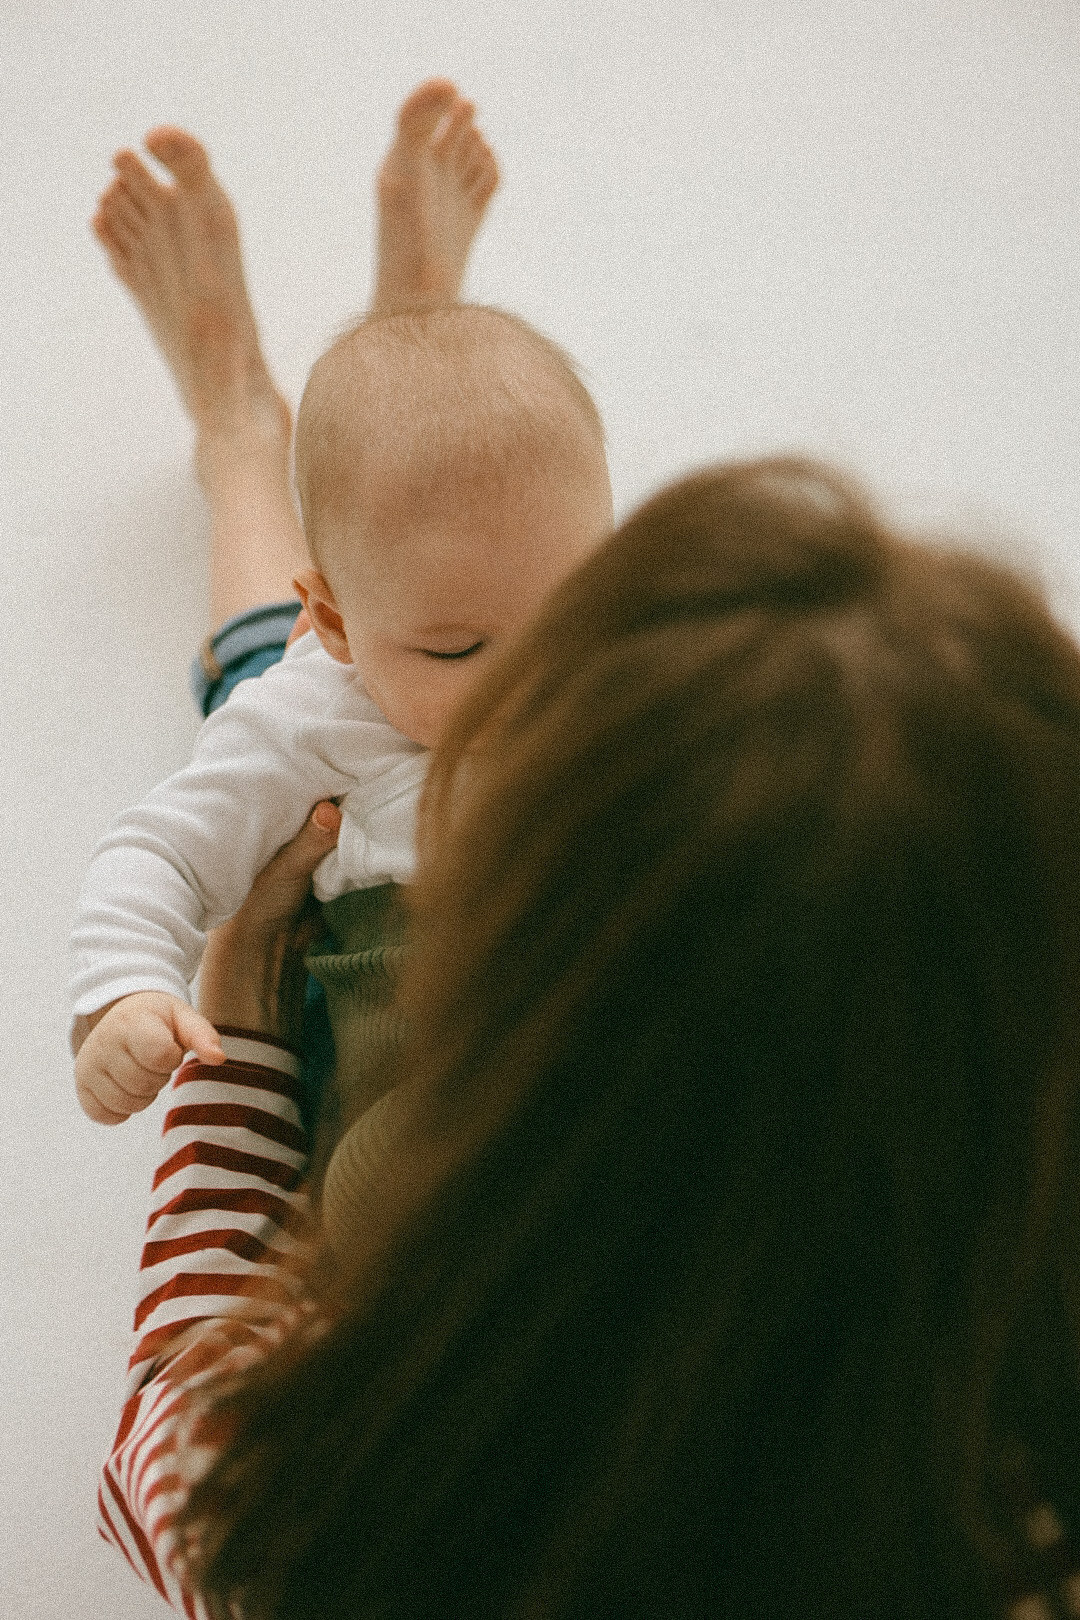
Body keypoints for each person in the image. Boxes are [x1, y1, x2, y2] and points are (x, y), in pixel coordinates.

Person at [97, 445, 1080, 1619]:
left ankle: (244, 453)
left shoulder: (323, 1519)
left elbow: (173, 1415)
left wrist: (243, 1032)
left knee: (286, 747)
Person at [71, 82, 613, 1132]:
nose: (526, 684)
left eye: (568, 621)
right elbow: (162, 851)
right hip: (341, 921)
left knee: (403, 520)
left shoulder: (627, 663)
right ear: (334, 621)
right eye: (457, 649)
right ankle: (239, 421)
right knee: (259, 679)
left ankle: (414, 339)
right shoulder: (321, 709)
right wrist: (125, 992)